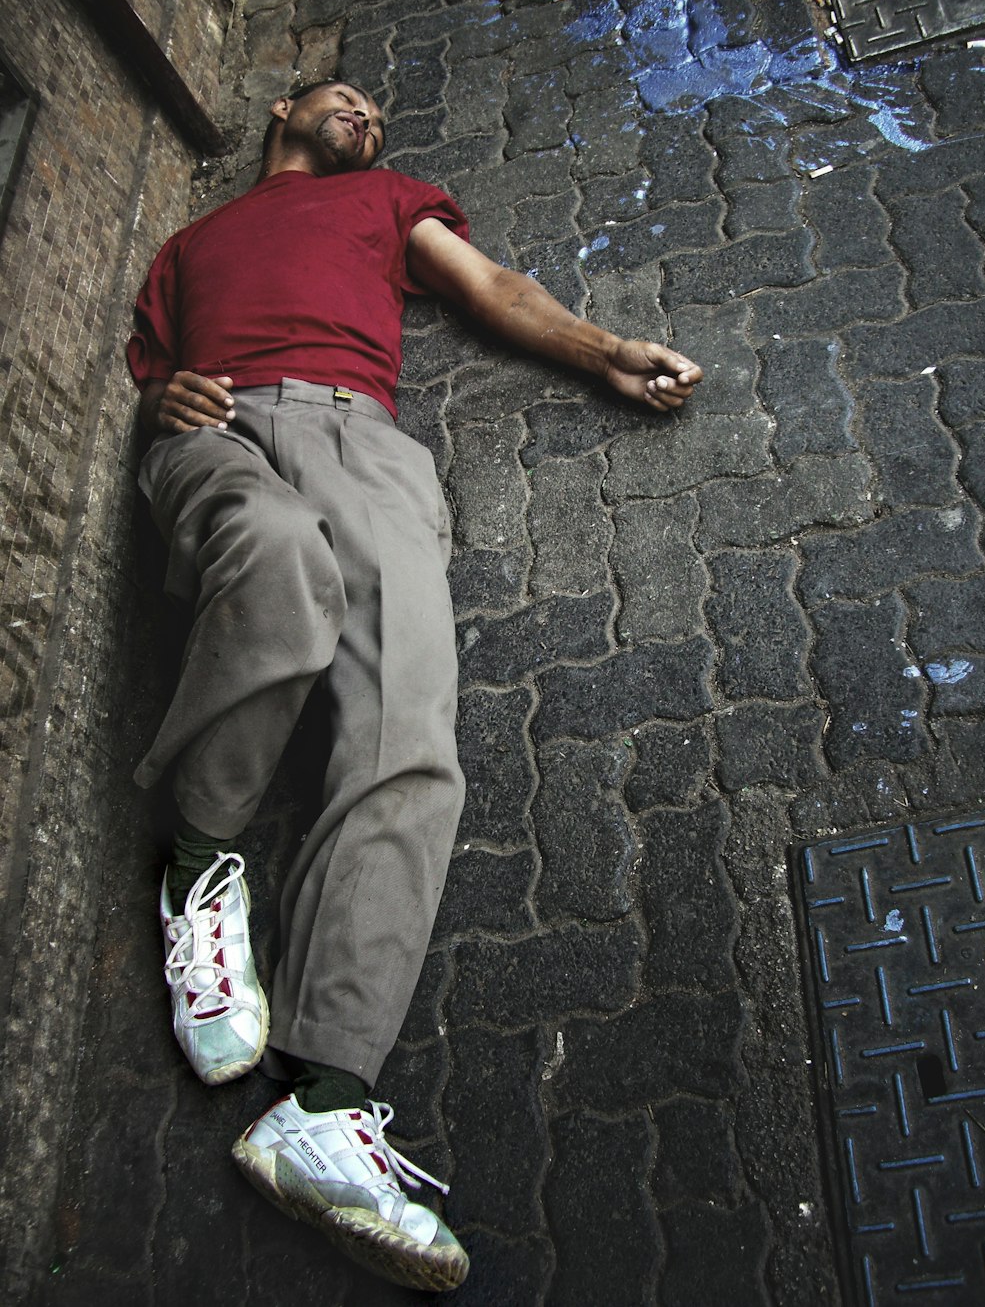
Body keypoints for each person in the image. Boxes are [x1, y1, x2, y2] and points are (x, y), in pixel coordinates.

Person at [127, 78, 702, 1292]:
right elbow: (152, 377)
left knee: (410, 734)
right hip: (218, 431)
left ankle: (325, 1110)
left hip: (364, 437)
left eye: (378, 116)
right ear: (286, 109)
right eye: (345, 100)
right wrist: (160, 402)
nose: (365, 117)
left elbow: (492, 291)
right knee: (280, 570)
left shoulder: (387, 203)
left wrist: (605, 353)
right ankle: (195, 862)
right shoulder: (188, 244)